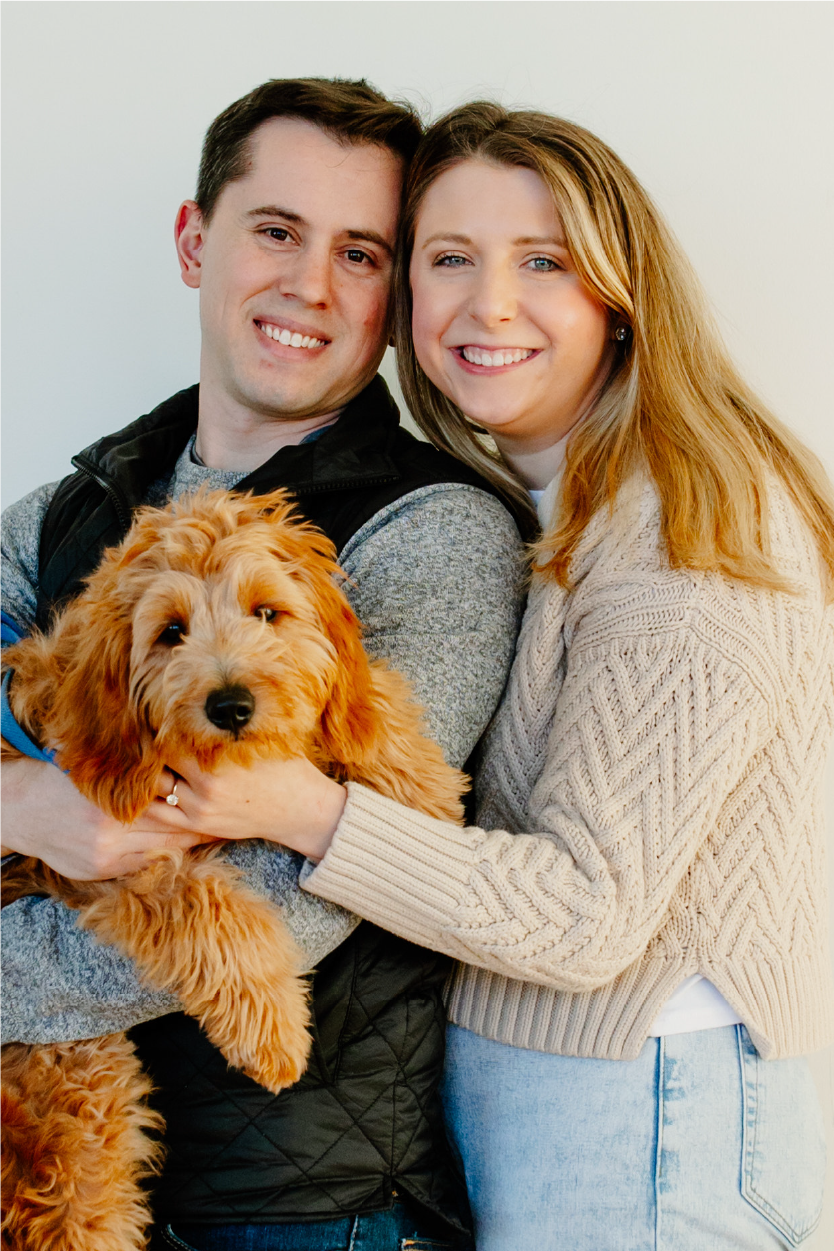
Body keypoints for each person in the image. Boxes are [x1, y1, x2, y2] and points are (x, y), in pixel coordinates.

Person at [191, 104, 834, 1249]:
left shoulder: (683, 526)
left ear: (619, 292)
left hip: (646, 1126)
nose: (489, 304)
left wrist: (302, 809)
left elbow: (587, 915)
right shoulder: (574, 506)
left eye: (542, 261)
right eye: (450, 259)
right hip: (595, 1116)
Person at [0, 83, 525, 1250]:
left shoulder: (431, 533)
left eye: (361, 253)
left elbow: (299, 904)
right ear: (197, 242)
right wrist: (23, 795)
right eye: (277, 231)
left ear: (393, 298)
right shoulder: (57, 516)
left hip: (301, 1206)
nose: (311, 286)